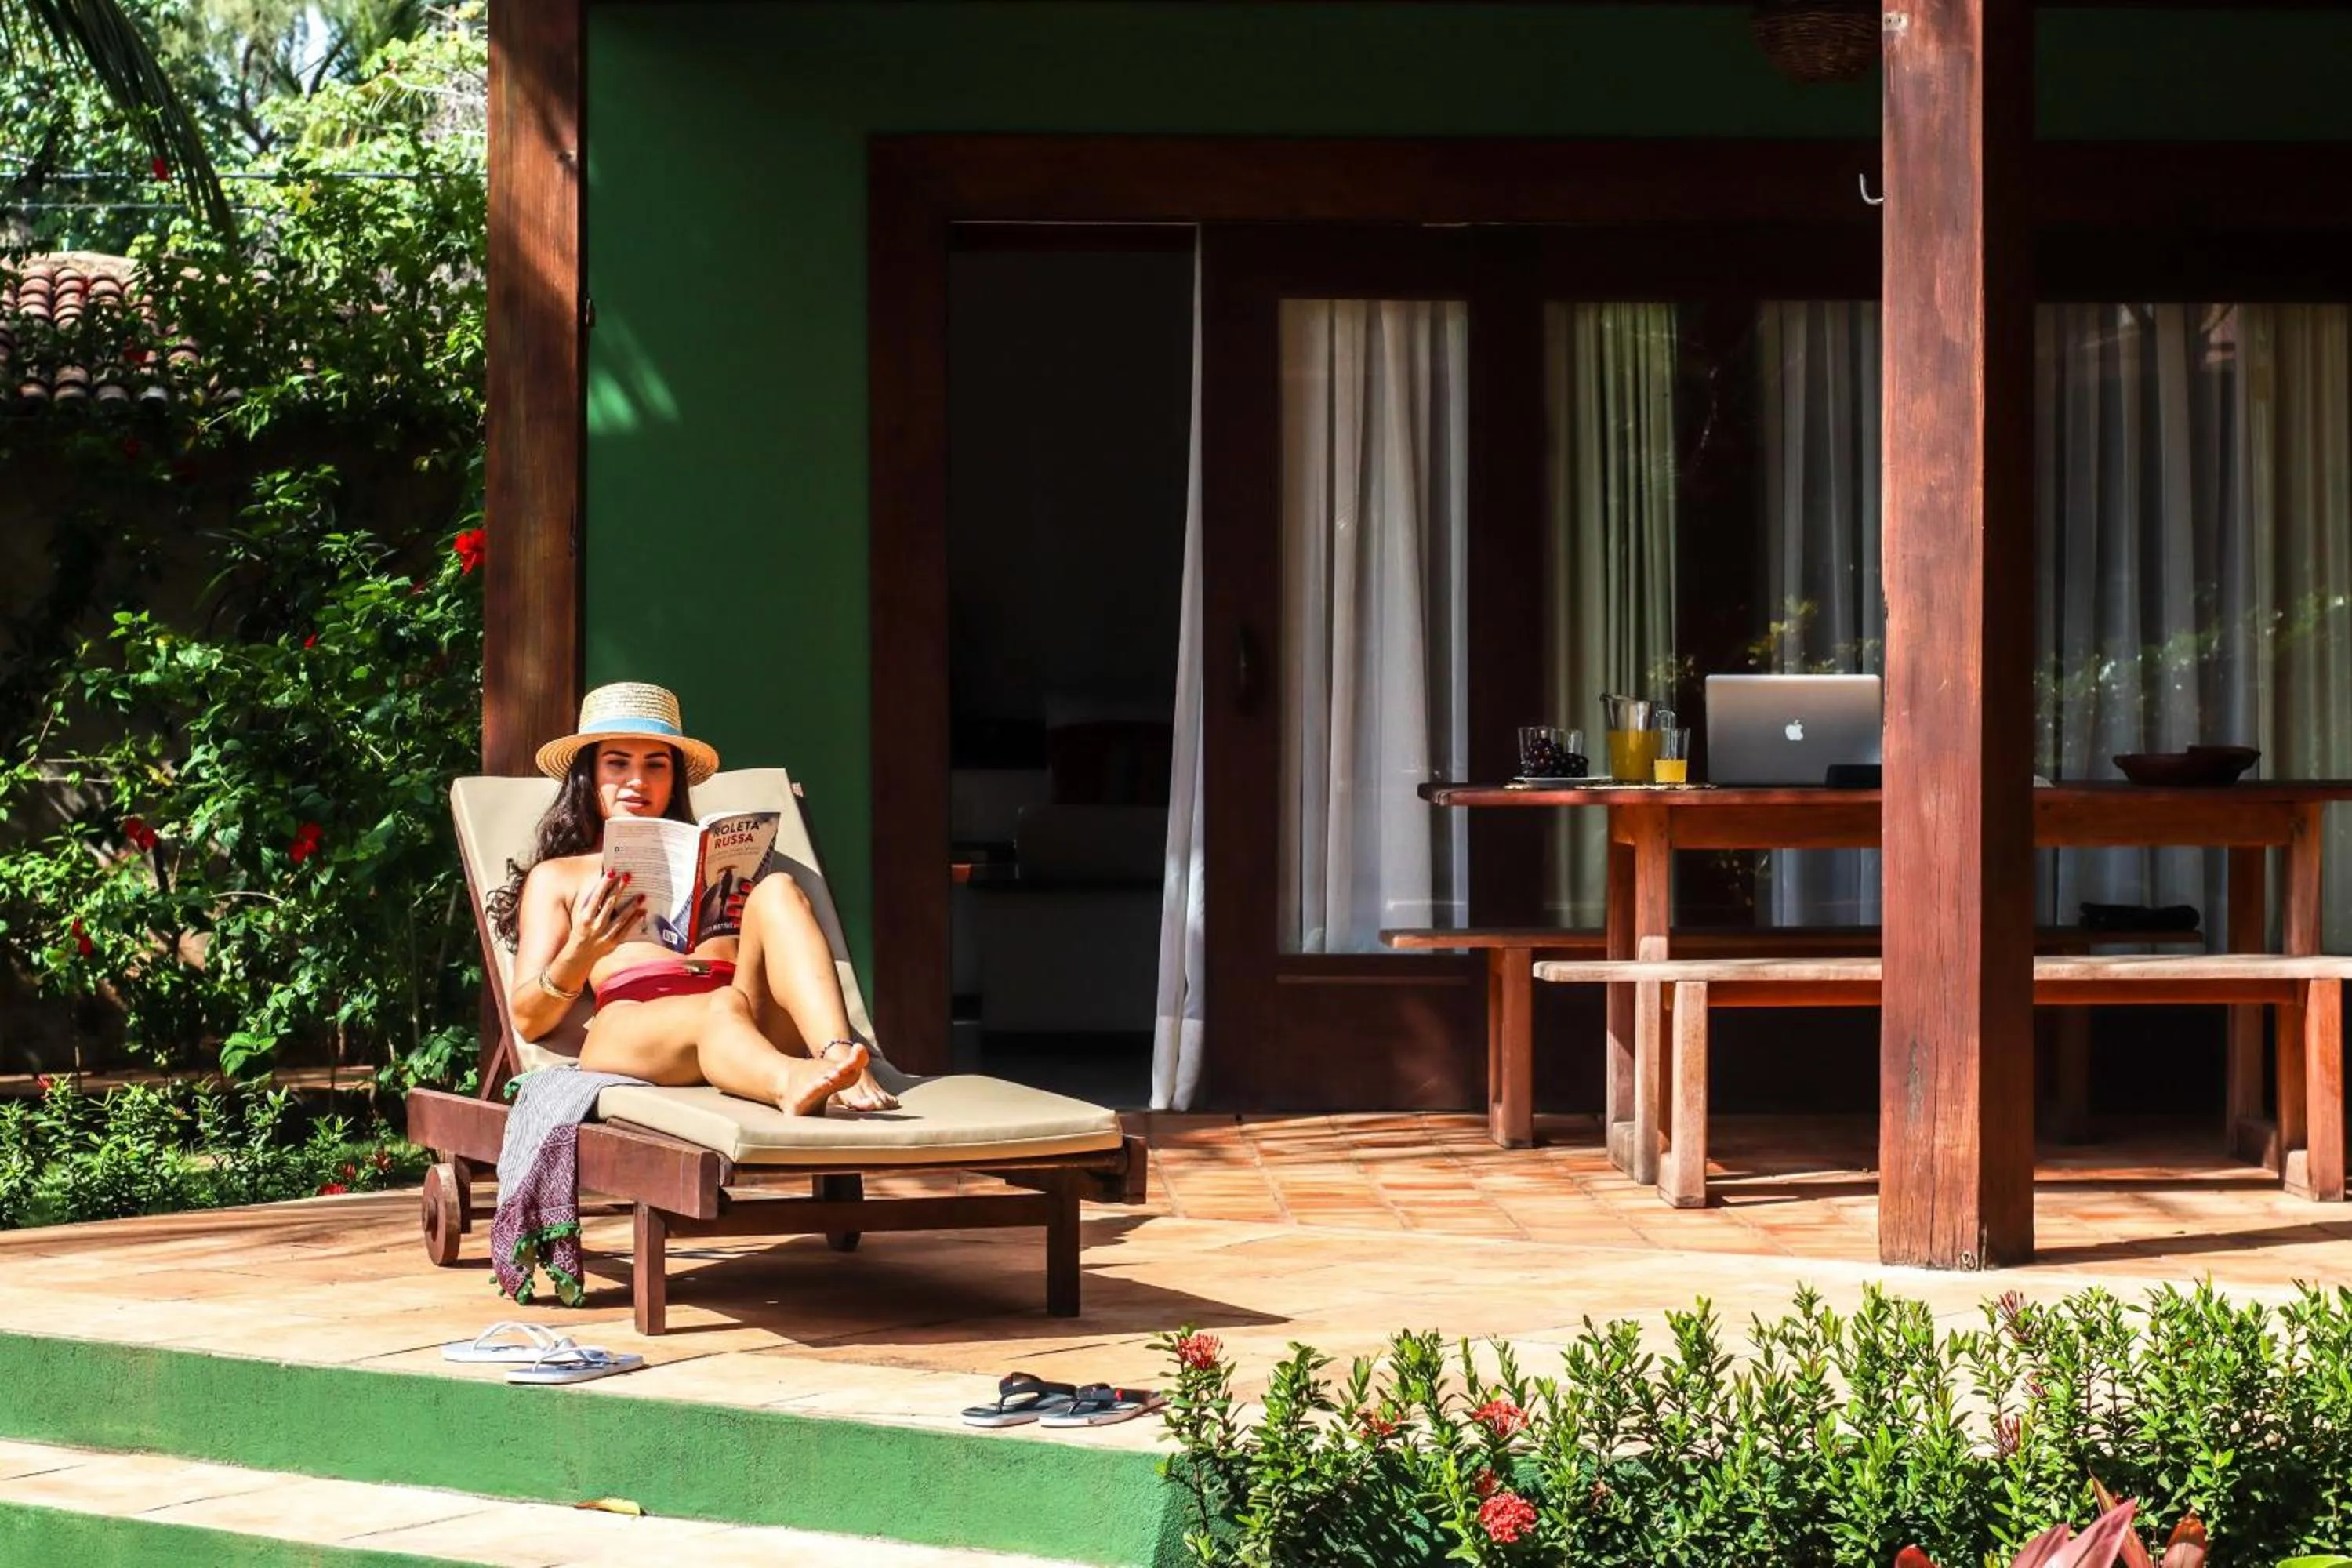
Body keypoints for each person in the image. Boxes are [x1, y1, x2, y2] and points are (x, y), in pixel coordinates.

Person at [485, 681, 899, 1115]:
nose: (637, 781)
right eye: (617, 763)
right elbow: (529, 1020)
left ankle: (836, 1055)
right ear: (589, 775)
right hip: (636, 1028)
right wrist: (580, 951)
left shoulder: (713, 858)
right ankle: (787, 1082)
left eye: (656, 765)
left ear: (674, 778)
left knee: (777, 890)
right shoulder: (558, 877)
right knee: (718, 1007)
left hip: (747, 1013)